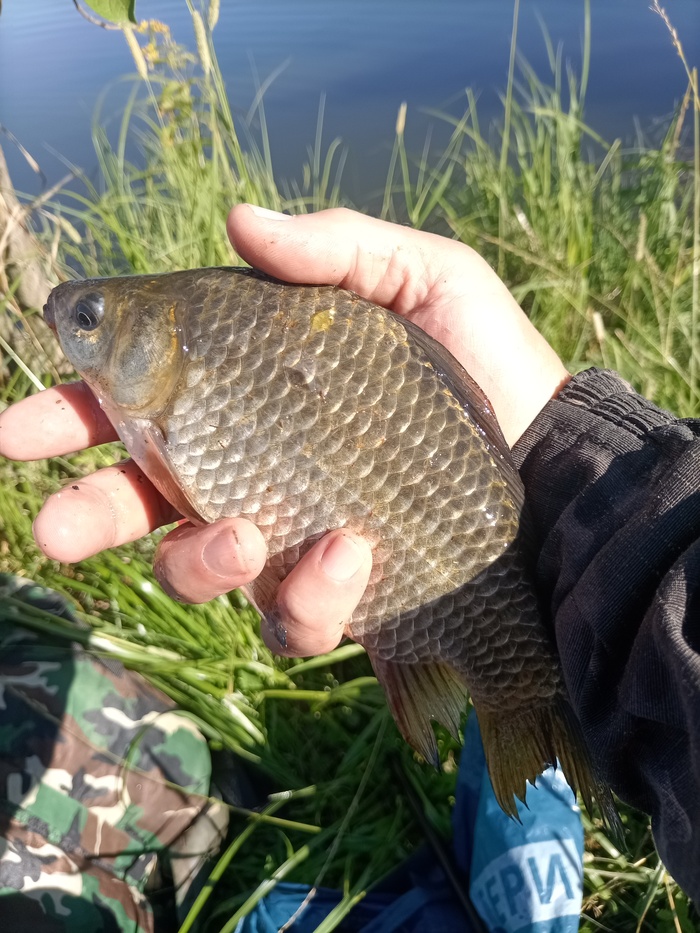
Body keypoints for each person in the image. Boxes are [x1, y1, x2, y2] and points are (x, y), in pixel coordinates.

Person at [1, 206, 698, 904]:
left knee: (495, 667)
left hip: (482, 515)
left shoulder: (208, 324)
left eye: (89, 318)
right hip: (536, 525)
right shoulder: (205, 329)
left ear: (161, 336)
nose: (71, 321)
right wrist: (573, 468)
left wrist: (550, 457)